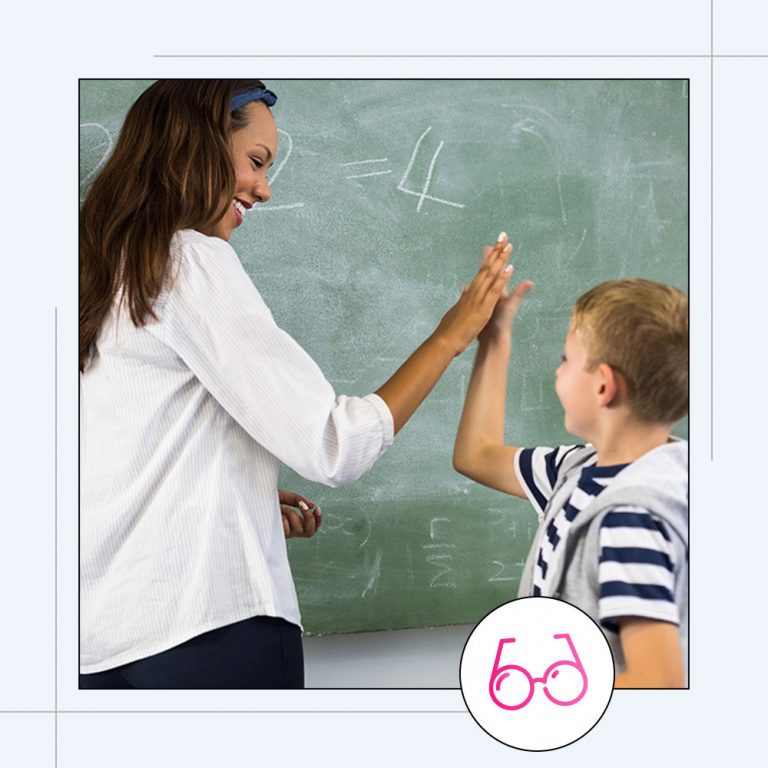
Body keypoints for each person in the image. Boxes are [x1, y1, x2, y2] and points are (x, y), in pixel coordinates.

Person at [79, 79, 514, 688]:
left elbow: (121, 460)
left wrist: (241, 496)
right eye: (255, 161)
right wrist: (453, 333)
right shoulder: (189, 261)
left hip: (100, 643)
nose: (264, 187)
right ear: (195, 146)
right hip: (206, 632)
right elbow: (335, 444)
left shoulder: (102, 277)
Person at [453, 263, 688, 688]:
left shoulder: (632, 518)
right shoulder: (578, 471)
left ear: (603, 386)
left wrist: (546, 692)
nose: (558, 371)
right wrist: (495, 338)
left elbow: (659, 680)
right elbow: (477, 455)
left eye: (566, 360)